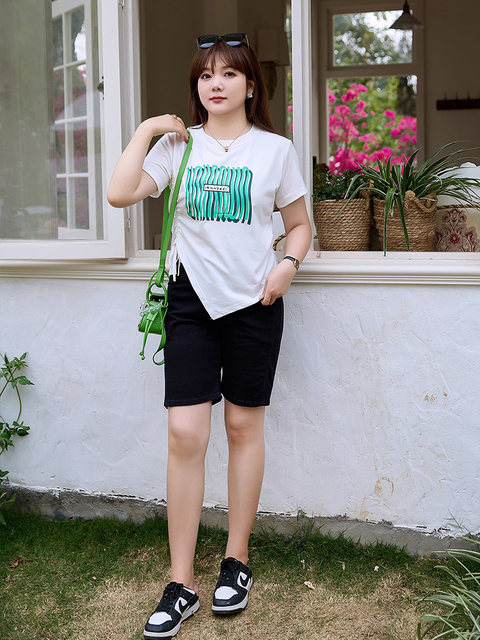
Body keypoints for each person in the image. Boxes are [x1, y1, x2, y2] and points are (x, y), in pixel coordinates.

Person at [107, 32, 311, 639]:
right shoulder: (179, 147)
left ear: (251, 85)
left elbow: (300, 225)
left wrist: (288, 264)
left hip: (255, 301)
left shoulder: (275, 150)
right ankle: (181, 583)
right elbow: (119, 193)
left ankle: (236, 561)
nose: (214, 84)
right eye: (204, 75)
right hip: (189, 301)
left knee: (243, 427)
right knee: (185, 433)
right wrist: (148, 130)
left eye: (228, 73)